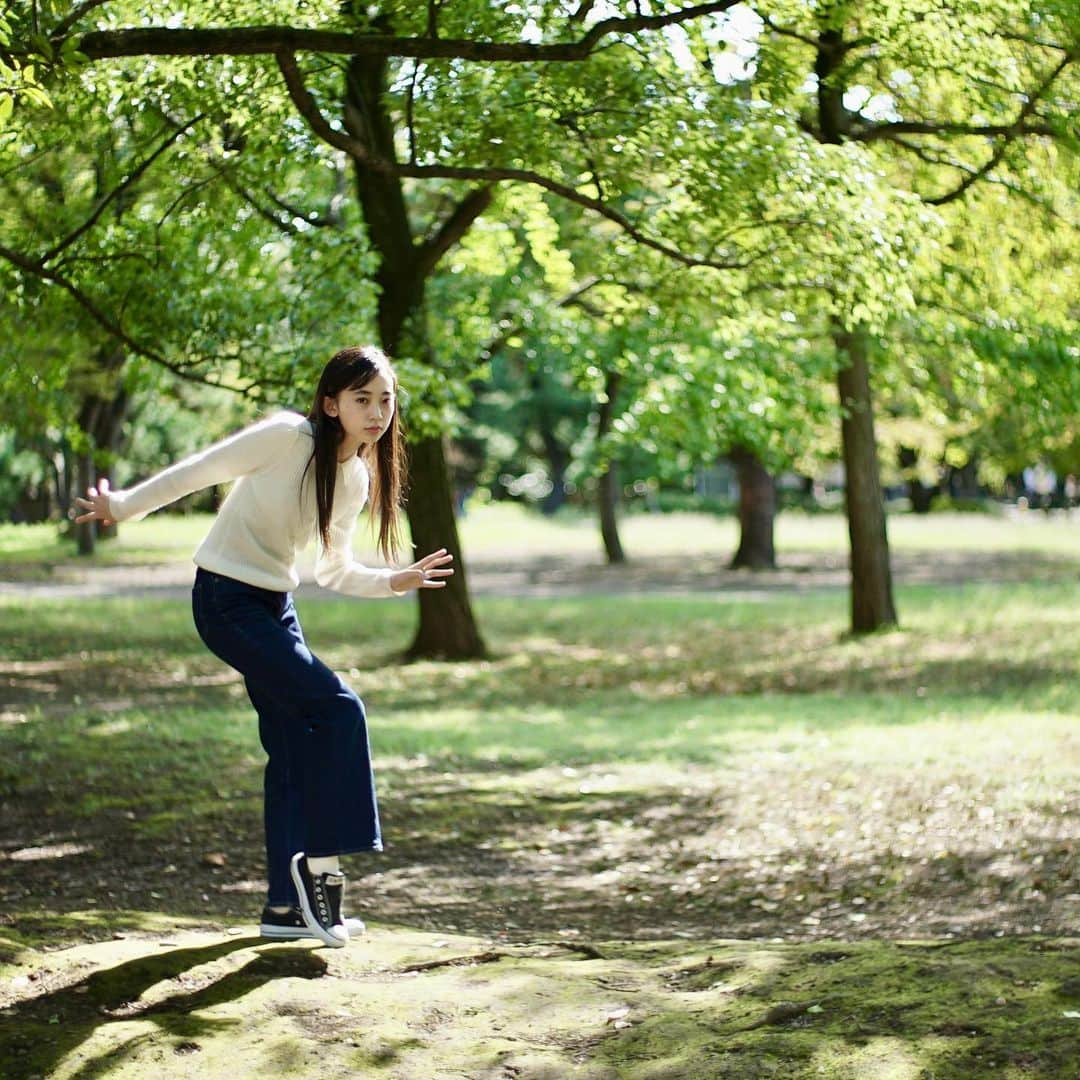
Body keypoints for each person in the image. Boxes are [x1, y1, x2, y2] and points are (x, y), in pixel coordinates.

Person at [74, 345, 453, 947]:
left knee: (292, 750)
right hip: (225, 601)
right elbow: (199, 470)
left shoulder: (354, 475)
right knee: (339, 708)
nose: (377, 412)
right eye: (362, 399)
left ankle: (283, 907)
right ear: (331, 404)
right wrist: (121, 506)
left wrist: (393, 580)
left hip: (277, 608)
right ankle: (323, 867)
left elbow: (333, 570)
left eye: (385, 399)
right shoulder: (285, 437)